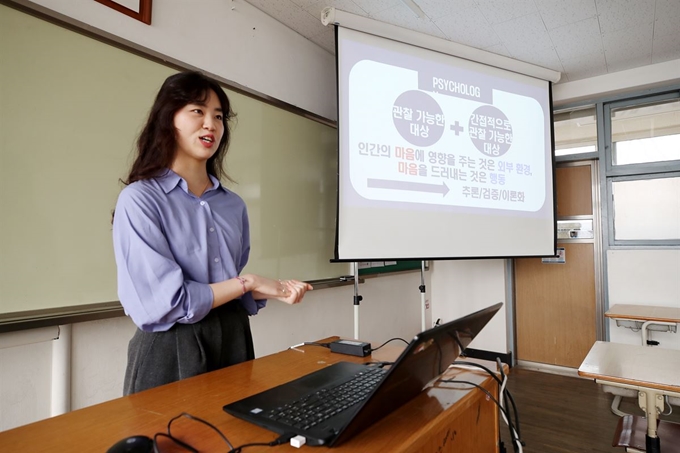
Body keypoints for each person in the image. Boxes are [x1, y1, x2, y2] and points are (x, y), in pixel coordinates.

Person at [112, 71, 313, 395]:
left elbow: (223, 286)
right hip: (171, 347)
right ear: (169, 118)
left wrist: (271, 289)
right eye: (198, 111)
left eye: (218, 116)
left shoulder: (232, 205)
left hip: (234, 338)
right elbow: (168, 302)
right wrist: (248, 282)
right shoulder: (140, 199)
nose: (211, 124)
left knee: (233, 441)